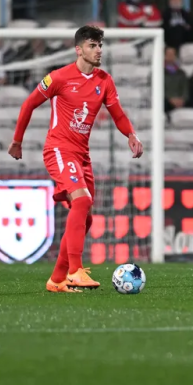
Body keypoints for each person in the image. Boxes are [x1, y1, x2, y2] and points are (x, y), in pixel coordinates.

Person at [8, 25, 143, 293]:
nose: (99, 50)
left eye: (100, 45)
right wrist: (17, 141)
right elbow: (28, 104)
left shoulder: (104, 80)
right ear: (79, 49)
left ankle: (56, 279)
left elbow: (117, 113)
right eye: (93, 45)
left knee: (87, 217)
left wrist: (130, 134)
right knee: (81, 200)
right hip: (58, 148)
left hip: (82, 154)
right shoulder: (58, 78)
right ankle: (74, 270)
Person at [162, 46, 188, 113]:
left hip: (180, 102)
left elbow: (185, 89)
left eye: (173, 54)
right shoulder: (158, 72)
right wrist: (170, 99)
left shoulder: (181, 73)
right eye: (168, 54)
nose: (171, 57)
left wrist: (182, 99)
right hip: (165, 101)